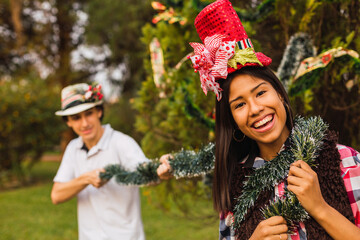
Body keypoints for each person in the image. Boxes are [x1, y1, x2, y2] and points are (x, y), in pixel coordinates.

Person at [187, 0, 360, 239]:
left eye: (260, 92)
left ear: (279, 94)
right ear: (233, 120)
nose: (256, 108)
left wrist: (319, 208)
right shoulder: (235, 189)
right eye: (239, 105)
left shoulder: (345, 161)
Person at [51, 83, 170, 240]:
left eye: (89, 114)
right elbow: (56, 195)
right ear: (68, 122)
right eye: (76, 118)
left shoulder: (121, 142)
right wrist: (86, 179)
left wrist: (161, 170)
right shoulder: (73, 149)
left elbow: (146, 173)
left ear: (99, 112)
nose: (84, 123)